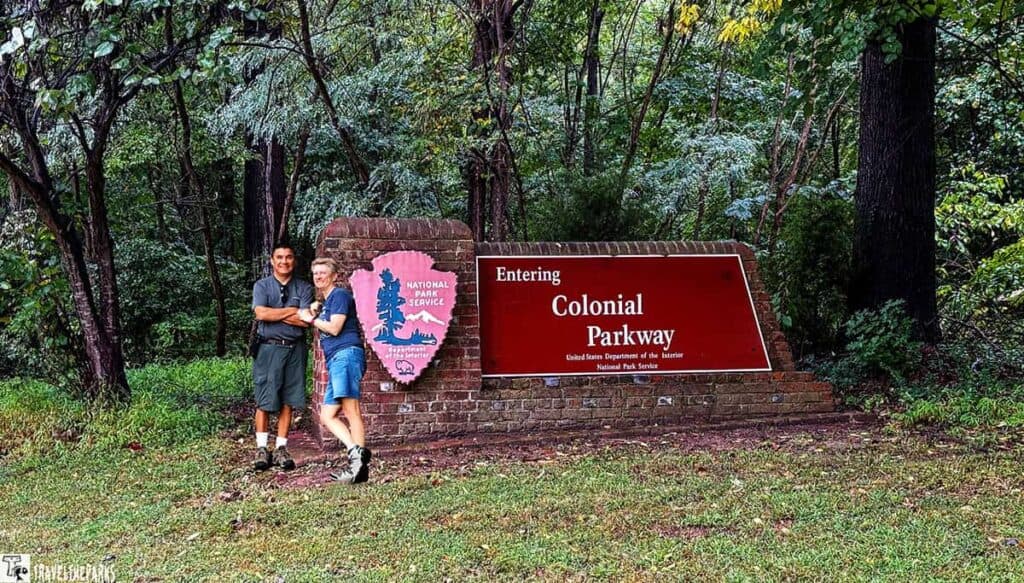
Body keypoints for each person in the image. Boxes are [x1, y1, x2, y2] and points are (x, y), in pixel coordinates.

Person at [299, 257, 371, 484]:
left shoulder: (339, 295)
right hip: (337, 361)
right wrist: (317, 310)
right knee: (327, 416)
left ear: (334, 276)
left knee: (351, 412)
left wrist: (311, 319)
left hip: (346, 356)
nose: (318, 276)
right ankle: (357, 455)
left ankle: (359, 466)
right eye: (315, 273)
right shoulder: (328, 301)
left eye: (323, 273)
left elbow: (335, 327)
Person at [251, 244, 314, 471]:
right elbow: (260, 313)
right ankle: (261, 448)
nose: (284, 261)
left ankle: (280, 448)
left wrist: (275, 314)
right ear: (272, 260)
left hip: (295, 349)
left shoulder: (304, 287)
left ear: (294, 261)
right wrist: (292, 311)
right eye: (279, 257)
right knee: (265, 397)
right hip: (268, 349)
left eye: (288, 257)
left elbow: (305, 321)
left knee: (289, 398)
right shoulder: (262, 286)